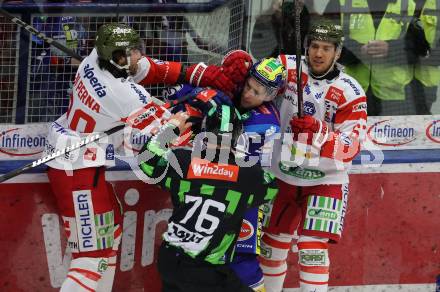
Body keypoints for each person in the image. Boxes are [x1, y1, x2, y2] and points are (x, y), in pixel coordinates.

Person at [43, 23, 239, 292]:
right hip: (76, 171)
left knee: (110, 236)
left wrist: (202, 73)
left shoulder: (95, 58)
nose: (139, 56)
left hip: (80, 161)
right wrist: (197, 105)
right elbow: (170, 134)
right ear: (119, 58)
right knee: (90, 260)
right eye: (134, 52)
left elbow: (151, 69)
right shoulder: (125, 96)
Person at [255, 20, 368, 292]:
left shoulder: (351, 92)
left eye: (326, 48)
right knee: (271, 245)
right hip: (282, 174)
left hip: (325, 180)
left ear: (338, 52)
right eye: (314, 46)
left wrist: (318, 132)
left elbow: (350, 147)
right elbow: (254, 79)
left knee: (311, 249)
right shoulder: (288, 66)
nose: (318, 53)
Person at [161, 57, 287, 291]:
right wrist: (198, 91)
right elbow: (174, 94)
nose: (248, 94)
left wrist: (206, 107)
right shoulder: (236, 89)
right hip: (213, 189)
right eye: (249, 86)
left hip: (242, 196)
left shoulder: (266, 122)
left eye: (257, 93)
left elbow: (224, 141)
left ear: (270, 97)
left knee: (243, 258)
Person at [137, 103, 279, 292]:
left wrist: (170, 129)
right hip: (207, 272)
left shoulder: (181, 160)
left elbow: (146, 159)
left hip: (169, 261)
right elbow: (271, 188)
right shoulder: (249, 175)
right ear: (237, 138)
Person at [323, 0, 416, 116]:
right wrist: (358, 51)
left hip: (395, 96)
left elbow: (420, 49)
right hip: (349, 93)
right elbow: (323, 43)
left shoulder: (408, 4)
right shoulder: (339, 2)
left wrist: (391, 49)